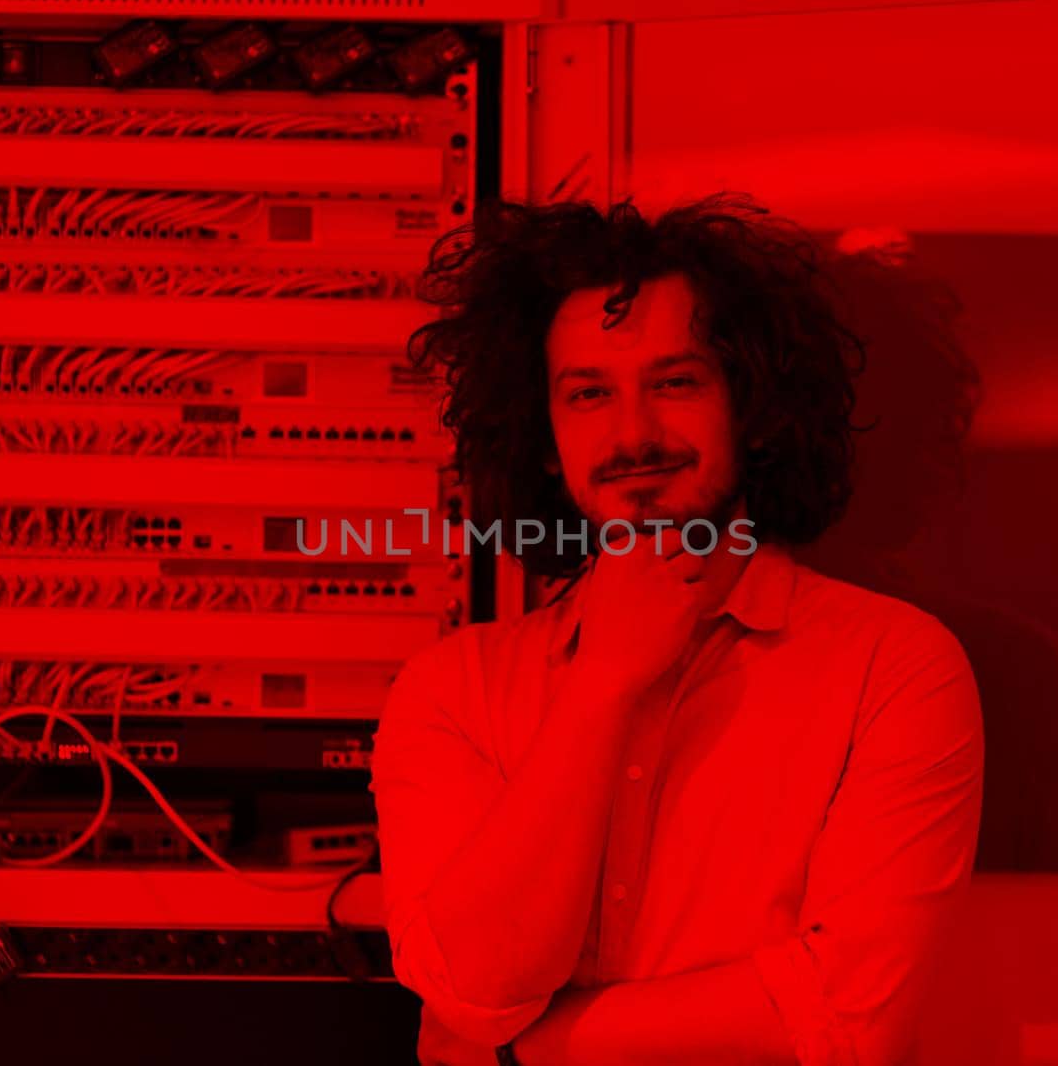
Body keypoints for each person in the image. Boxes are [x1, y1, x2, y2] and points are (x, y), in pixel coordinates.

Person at [368, 195, 985, 1066]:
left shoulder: (894, 668)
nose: (635, 434)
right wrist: (602, 684)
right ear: (545, 436)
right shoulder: (450, 690)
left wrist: (523, 1049)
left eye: (676, 381)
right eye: (589, 393)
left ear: (753, 404)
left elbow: (849, 1019)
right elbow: (475, 985)